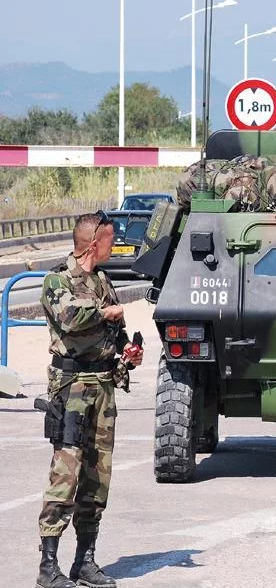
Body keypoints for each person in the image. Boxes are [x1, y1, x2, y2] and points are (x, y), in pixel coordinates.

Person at [35, 211, 143, 588]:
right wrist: (105, 311)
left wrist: (127, 350)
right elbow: (68, 318)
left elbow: (115, 331)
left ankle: (85, 560)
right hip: (72, 388)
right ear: (94, 242)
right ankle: (48, 567)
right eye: (112, 239)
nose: (115, 245)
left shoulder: (102, 280)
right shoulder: (57, 279)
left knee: (97, 478)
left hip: (103, 386)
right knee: (66, 475)